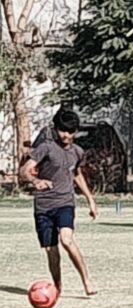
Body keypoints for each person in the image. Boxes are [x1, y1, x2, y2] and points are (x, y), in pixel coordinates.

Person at [18, 110, 99, 296]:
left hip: (65, 203)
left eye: (70, 131)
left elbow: (77, 175)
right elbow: (24, 171)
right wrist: (36, 181)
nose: (65, 135)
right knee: (51, 250)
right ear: (56, 129)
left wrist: (91, 200)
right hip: (43, 207)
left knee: (66, 240)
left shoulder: (77, 152)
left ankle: (86, 280)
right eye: (62, 130)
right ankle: (57, 287)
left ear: (75, 131)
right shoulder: (45, 148)